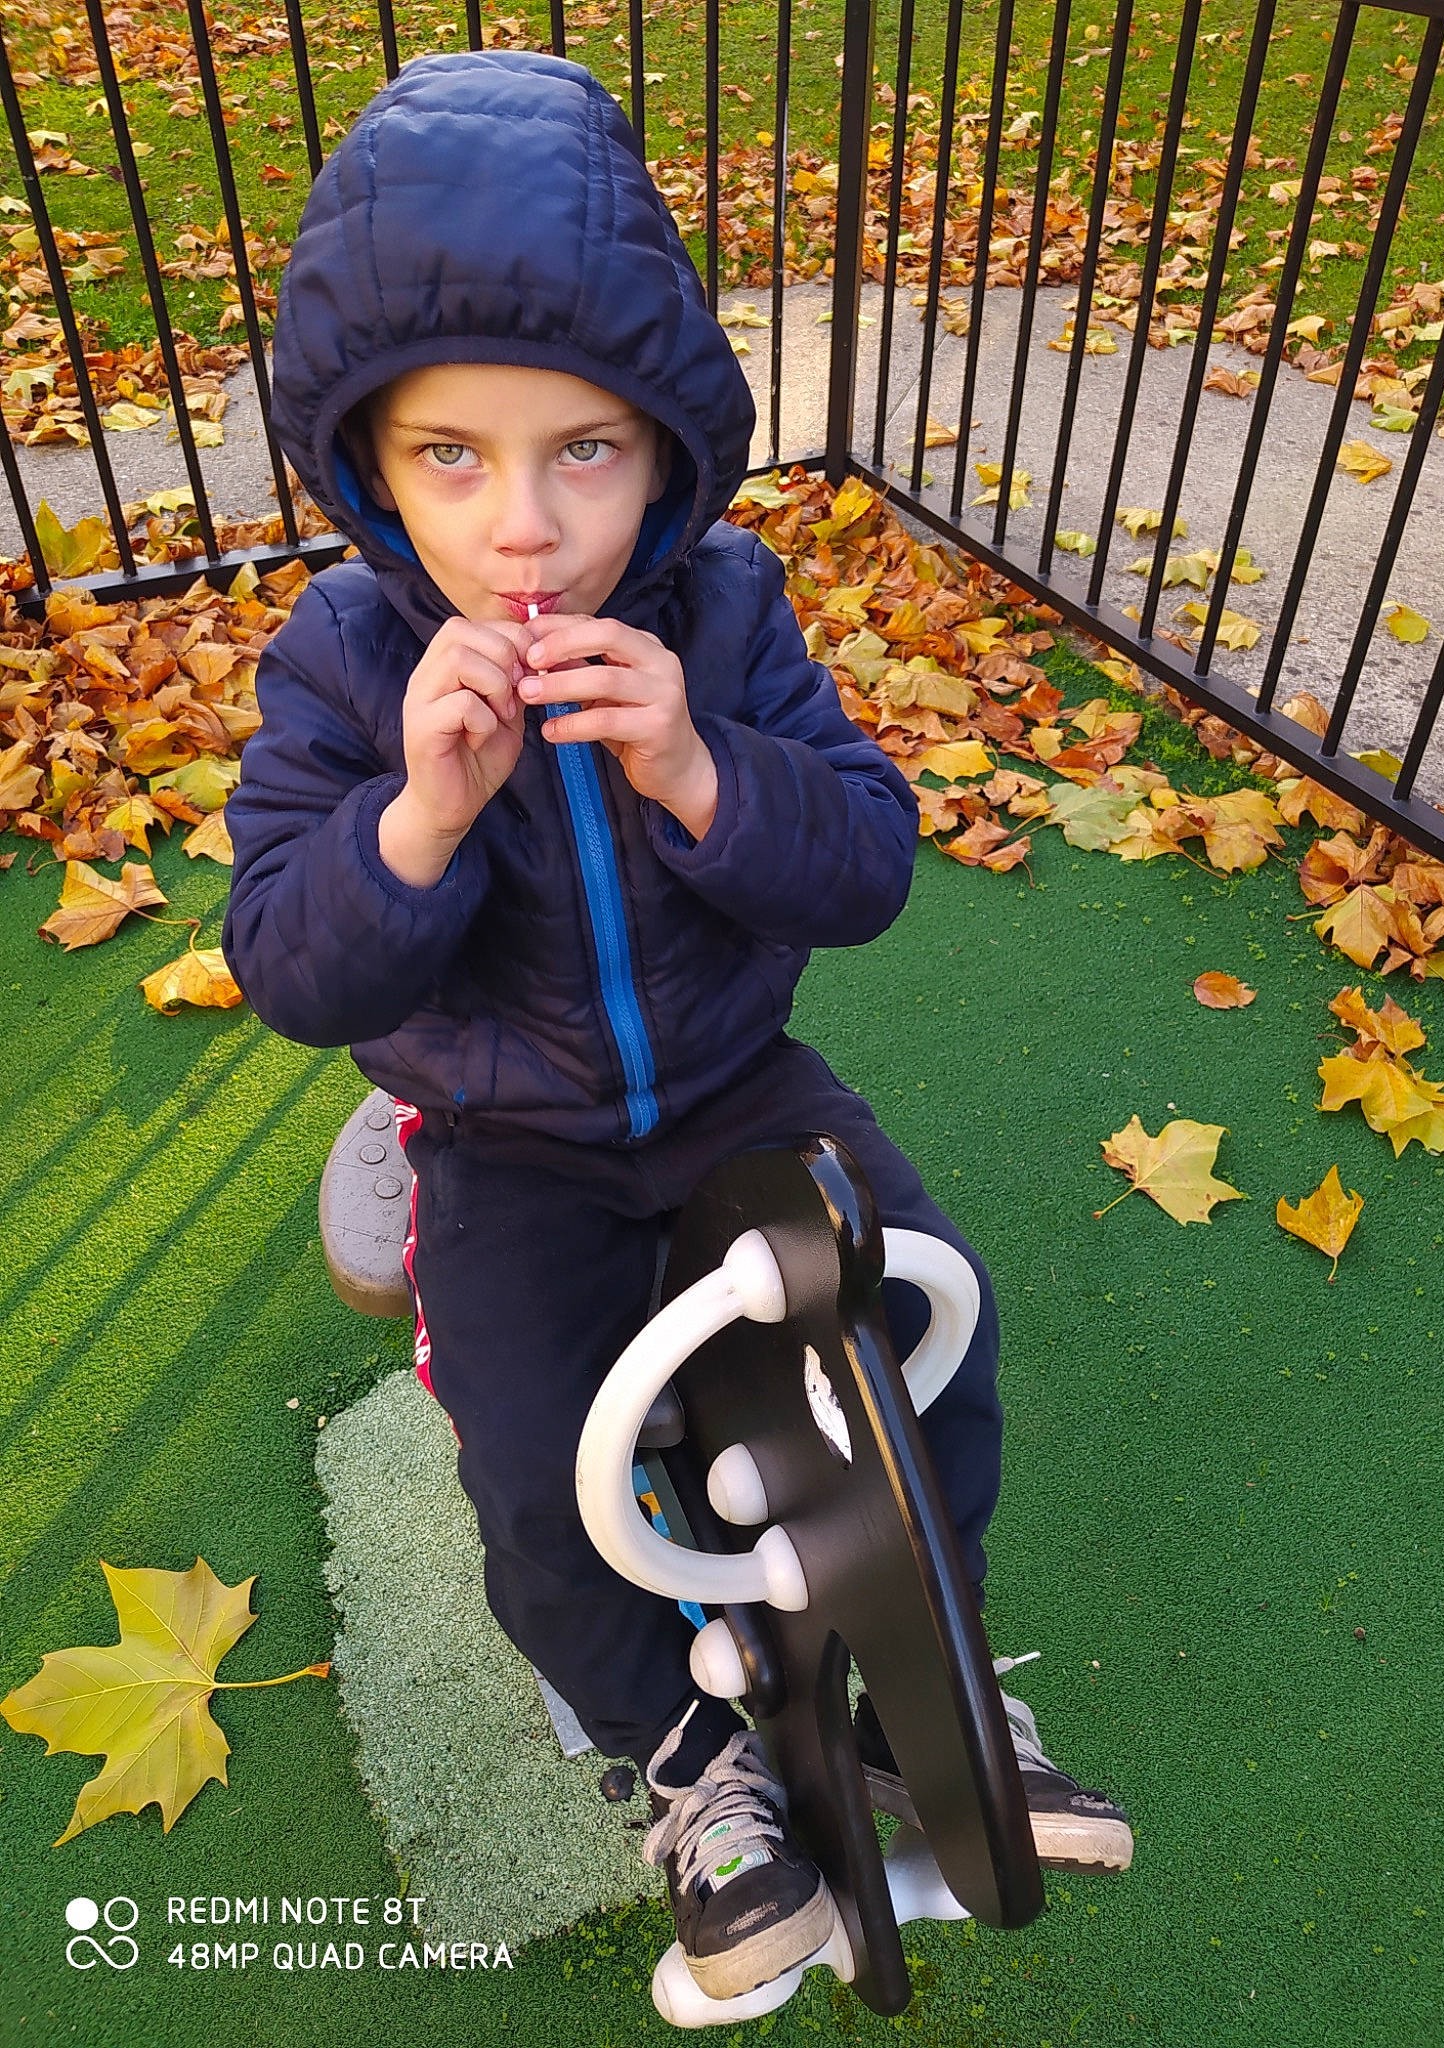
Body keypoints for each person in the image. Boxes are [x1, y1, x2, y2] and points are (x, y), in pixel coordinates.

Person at [222, 47, 1131, 2005]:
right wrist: (417, 821)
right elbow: (294, 965)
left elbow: (865, 861)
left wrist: (705, 771)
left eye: (585, 451)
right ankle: (689, 1764)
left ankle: (925, 1677)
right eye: (451, 457)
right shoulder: (343, 661)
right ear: (367, 463)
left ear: (668, 450)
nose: (524, 529)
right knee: (539, 1473)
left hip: (736, 1087)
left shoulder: (722, 615)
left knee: (930, 1310)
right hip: (508, 1146)